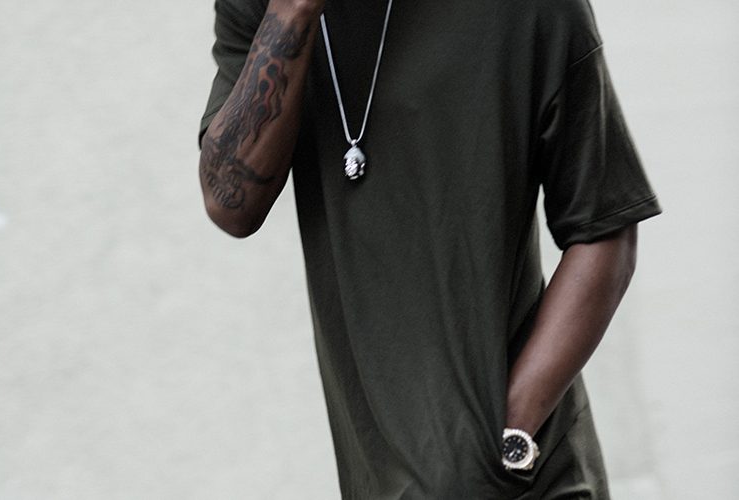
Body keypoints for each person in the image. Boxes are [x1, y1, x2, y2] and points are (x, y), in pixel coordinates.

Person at [197, 0, 662, 498]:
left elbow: (604, 228)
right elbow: (231, 204)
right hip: (379, 479)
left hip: (524, 483)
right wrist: (294, 10)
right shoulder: (262, 7)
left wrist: (509, 435)